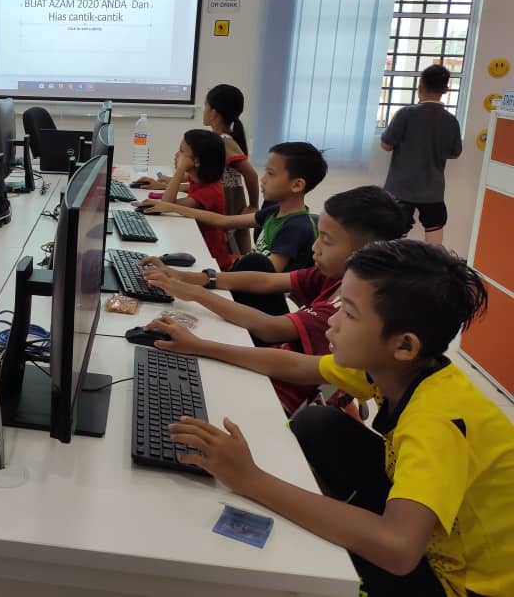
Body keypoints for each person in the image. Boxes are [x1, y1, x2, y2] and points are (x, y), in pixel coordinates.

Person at [146, 240, 513, 597]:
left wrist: (250, 479)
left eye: (349, 314)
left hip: (464, 583)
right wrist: (199, 346)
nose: (333, 321)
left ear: (404, 345)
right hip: (434, 529)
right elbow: (295, 366)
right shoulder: (396, 367)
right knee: (318, 424)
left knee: (323, 566)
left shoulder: (435, 422)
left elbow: (399, 550)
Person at [143, 186, 408, 411]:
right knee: (256, 264)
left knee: (166, 389)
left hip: (276, 395)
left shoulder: (347, 310)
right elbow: (267, 280)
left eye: (326, 241)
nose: (314, 248)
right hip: (273, 367)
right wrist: (192, 278)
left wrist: (196, 300)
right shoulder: (336, 276)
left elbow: (272, 331)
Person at [141, 142, 326, 275]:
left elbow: (267, 277)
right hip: (241, 279)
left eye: (270, 174)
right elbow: (223, 221)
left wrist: (209, 280)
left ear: (297, 185)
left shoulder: (296, 227)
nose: (263, 179)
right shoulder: (275, 211)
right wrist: (171, 207)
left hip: (256, 298)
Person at [381, 64, 462, 245]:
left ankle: (396, 262)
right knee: (435, 228)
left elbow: (386, 145)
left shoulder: (405, 114)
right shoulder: (451, 120)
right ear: (446, 90)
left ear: (420, 87)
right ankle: (432, 262)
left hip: (401, 187)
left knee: (397, 230)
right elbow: (455, 153)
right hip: (433, 189)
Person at [141, 129, 232, 269]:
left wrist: (180, 169)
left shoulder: (210, 192)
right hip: (194, 244)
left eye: (182, 151)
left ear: (197, 161)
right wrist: (161, 185)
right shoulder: (201, 179)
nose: (177, 154)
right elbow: (188, 185)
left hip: (209, 259)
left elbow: (167, 204)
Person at [202, 84, 259, 254]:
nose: (203, 110)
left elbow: (251, 175)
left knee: (232, 258)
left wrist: (253, 206)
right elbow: (212, 178)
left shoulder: (224, 141)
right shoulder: (218, 140)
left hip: (230, 212)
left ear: (214, 112)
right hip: (225, 212)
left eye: (205, 105)